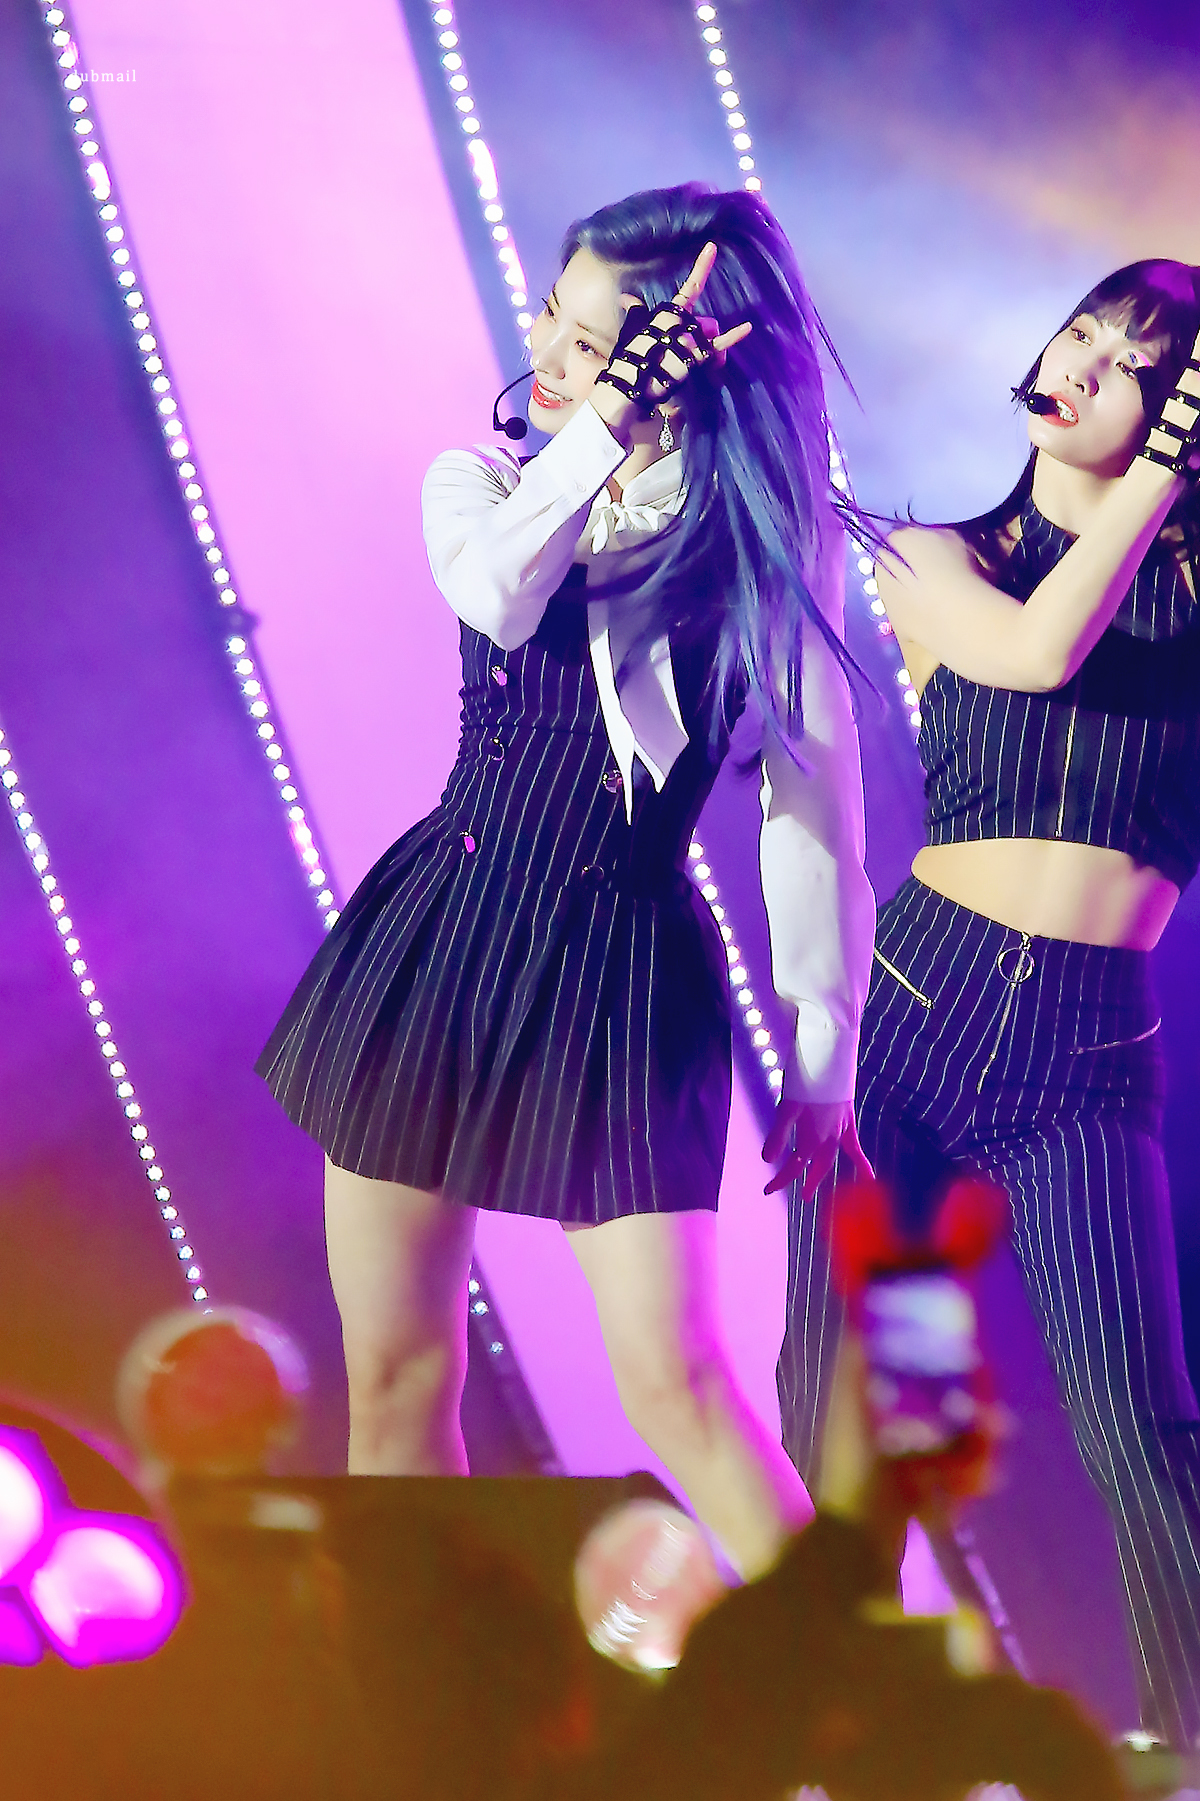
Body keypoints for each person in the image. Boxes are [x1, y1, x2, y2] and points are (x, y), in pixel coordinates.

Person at [258, 182, 875, 1579]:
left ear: (691, 357)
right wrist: (600, 420)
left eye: (592, 340)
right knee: (399, 1376)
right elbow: (498, 591)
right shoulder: (482, 481)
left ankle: (868, 1691)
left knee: (682, 1388)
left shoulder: (768, 543)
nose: (545, 348)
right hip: (444, 938)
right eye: (554, 311)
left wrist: (823, 1053)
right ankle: (429, 1697)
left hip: (624, 967)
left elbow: (811, 801)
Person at [777, 258, 1200, 1748]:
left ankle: (1187, 1750)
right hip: (920, 1007)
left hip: (1088, 1048)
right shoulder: (932, 554)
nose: (1084, 363)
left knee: (1142, 1426)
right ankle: (830, 1730)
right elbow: (1033, 652)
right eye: (1081, 330)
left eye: (1138, 362)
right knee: (862, 1399)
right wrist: (1160, 470)